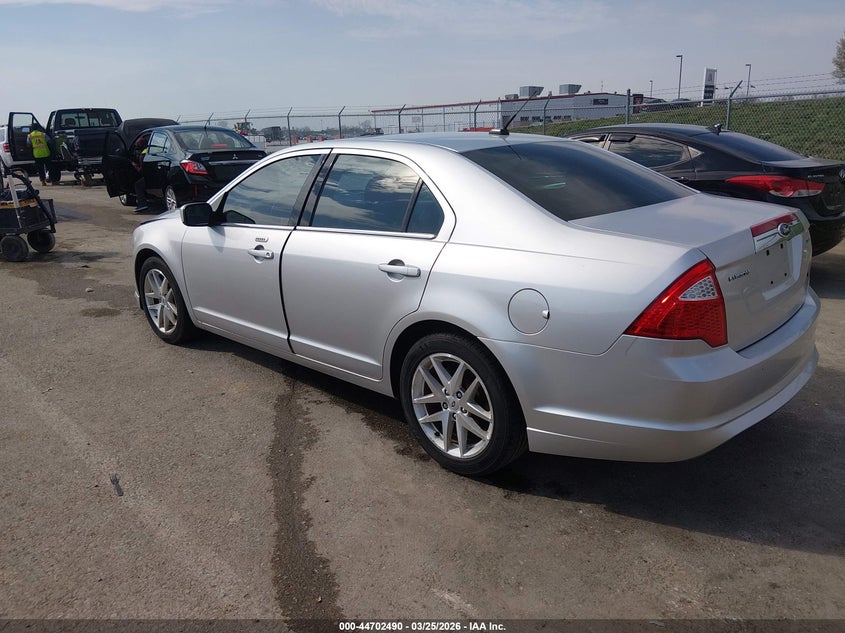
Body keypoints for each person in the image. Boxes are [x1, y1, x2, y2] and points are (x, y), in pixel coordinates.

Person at [132, 135, 149, 213]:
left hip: (148, 177)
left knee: (138, 185)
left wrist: (135, 166)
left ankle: (142, 204)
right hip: (156, 175)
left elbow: (141, 171)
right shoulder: (149, 150)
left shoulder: (142, 156)